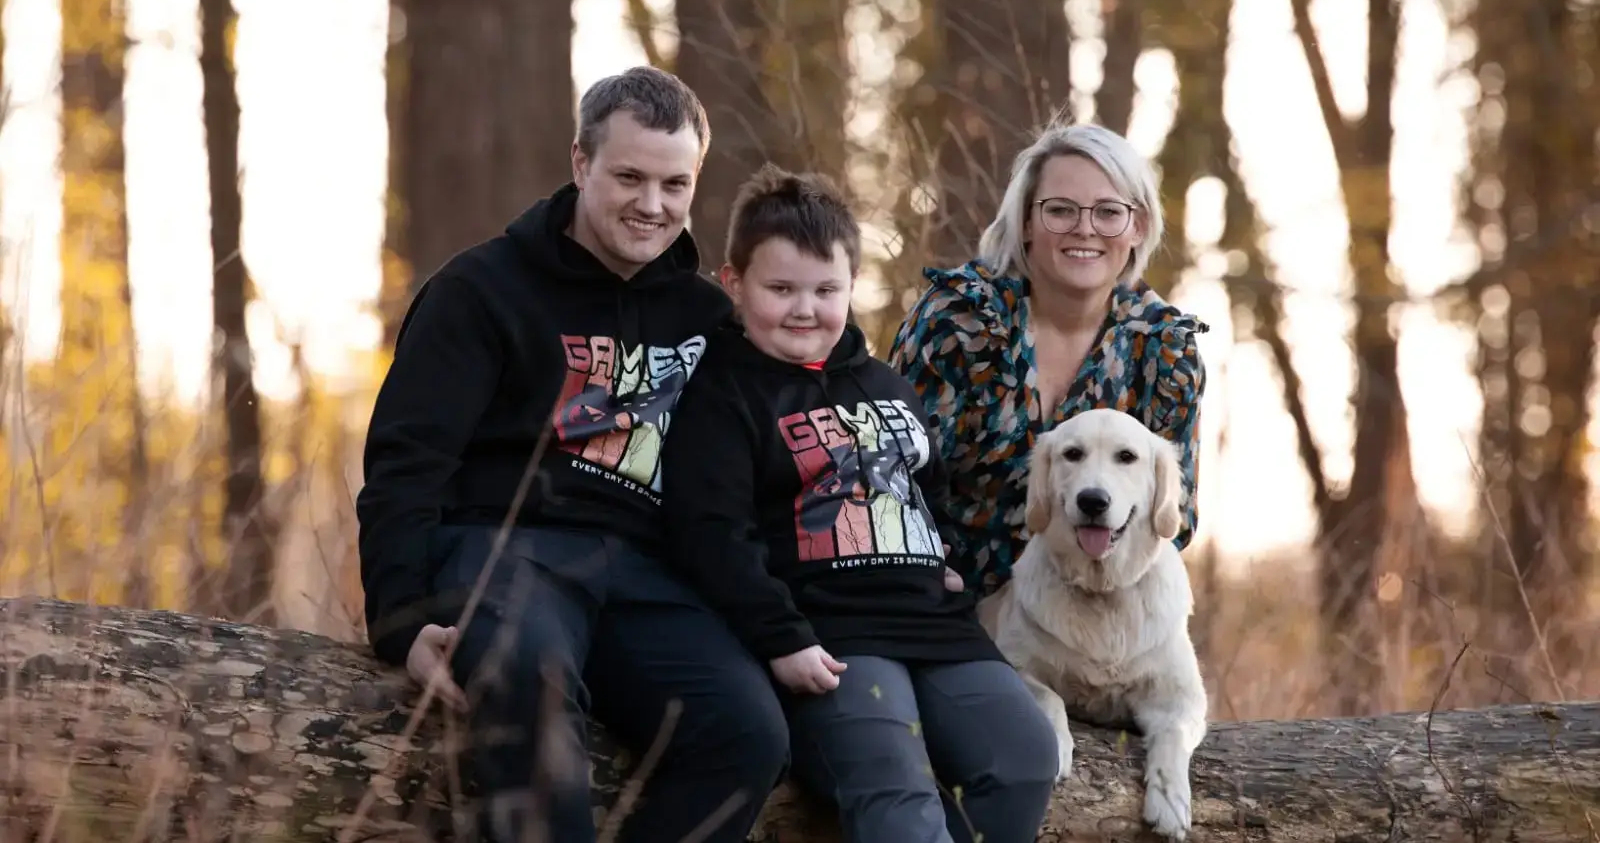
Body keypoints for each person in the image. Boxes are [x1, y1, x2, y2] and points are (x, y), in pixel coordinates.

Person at [354, 66, 789, 843]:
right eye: (629, 177)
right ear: (581, 163)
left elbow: (765, 461)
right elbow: (406, 464)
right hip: (504, 551)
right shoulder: (480, 290)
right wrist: (398, 619)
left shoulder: (707, 318)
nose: (652, 205)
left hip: (647, 574)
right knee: (532, 686)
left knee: (748, 732)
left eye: (675, 184)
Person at [659, 165, 1059, 843]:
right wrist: (780, 637)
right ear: (734, 283)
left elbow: (925, 482)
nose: (804, 309)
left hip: (933, 627)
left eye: (826, 290)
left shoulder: (885, 385)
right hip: (831, 637)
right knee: (896, 786)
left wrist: (938, 554)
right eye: (780, 289)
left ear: (852, 286)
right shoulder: (723, 395)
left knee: (1023, 757)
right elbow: (712, 533)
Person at [889, 119, 1208, 596]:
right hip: (947, 596)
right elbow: (890, 478)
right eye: (1060, 210)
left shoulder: (1165, 350)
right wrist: (921, 575)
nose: (1085, 228)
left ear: (1137, 226)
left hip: (1090, 603)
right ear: (1025, 222)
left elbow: (1171, 520)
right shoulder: (958, 323)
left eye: (1109, 212)